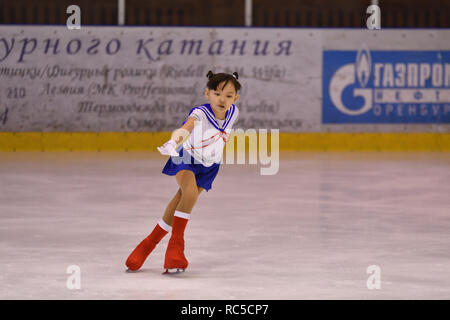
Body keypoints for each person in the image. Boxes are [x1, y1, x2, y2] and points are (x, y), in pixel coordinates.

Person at [125, 70, 241, 274]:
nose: (222, 99)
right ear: (207, 93)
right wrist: (173, 141)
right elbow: (186, 128)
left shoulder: (234, 113)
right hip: (186, 157)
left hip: (210, 166)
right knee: (188, 194)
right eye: (217, 93)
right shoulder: (200, 113)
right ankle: (175, 247)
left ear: (236, 98)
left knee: (182, 198)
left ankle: (148, 244)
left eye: (228, 95)